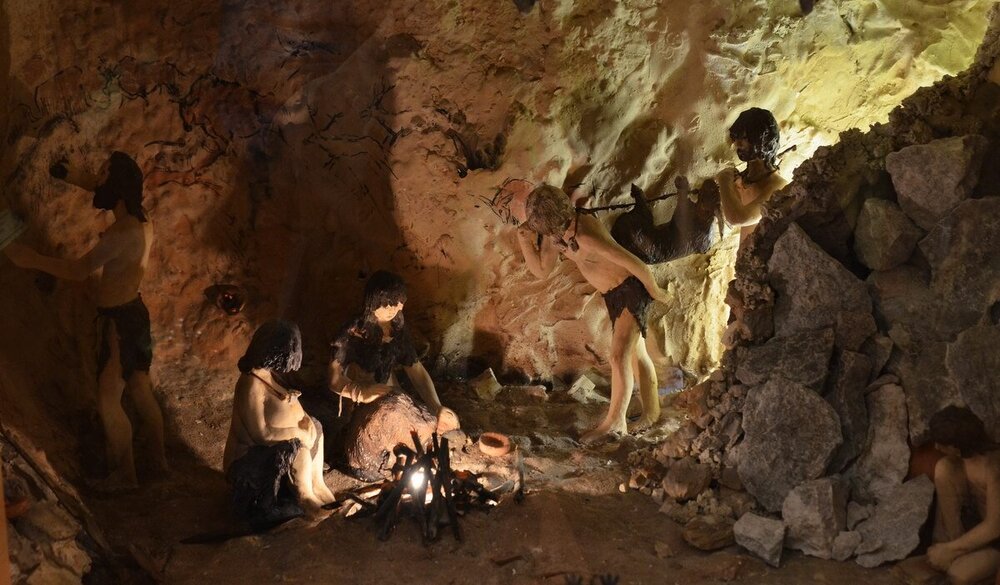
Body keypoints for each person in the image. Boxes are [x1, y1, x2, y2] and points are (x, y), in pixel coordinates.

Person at [4, 152, 167, 489]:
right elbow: (104, 189)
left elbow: (78, 270)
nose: (98, 178)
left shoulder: (122, 233)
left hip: (118, 325)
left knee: (109, 401)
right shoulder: (142, 218)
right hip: (135, 314)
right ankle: (159, 461)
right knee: (140, 389)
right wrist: (74, 176)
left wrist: (31, 259)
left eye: (104, 173)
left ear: (116, 186)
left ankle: (125, 475)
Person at [515, 184, 670, 443]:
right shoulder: (560, 235)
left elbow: (635, 264)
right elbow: (542, 270)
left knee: (619, 355)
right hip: (614, 295)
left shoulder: (585, 234)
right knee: (636, 353)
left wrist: (656, 291)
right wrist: (525, 242)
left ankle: (616, 422)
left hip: (631, 289)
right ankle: (651, 412)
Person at [223, 320, 336, 523]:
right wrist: (299, 433)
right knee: (296, 448)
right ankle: (307, 499)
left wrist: (308, 423)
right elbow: (262, 434)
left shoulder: (268, 375)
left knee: (317, 428)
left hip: (283, 443)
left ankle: (318, 486)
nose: (287, 366)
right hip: (250, 459)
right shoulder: (250, 385)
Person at [328, 271, 459, 433]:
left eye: (398, 303)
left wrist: (436, 406)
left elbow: (415, 369)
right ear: (373, 301)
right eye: (387, 303)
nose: (393, 309)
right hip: (357, 396)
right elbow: (333, 379)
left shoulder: (397, 329)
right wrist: (361, 392)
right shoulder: (352, 332)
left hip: (387, 389)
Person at [925, 406, 1000, 585]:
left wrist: (950, 550)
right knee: (944, 467)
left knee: (957, 574)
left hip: (994, 540)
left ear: (956, 446)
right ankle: (954, 548)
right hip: (969, 532)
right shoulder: (956, 462)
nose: (936, 447)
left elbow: (994, 527)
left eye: (941, 444)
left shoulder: (993, 469)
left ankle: (956, 554)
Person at [715, 108, 788, 243]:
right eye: (737, 138)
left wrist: (724, 180)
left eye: (744, 138)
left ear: (762, 140)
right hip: (745, 252)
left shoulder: (778, 186)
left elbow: (736, 217)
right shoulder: (744, 179)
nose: (737, 144)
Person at [610, 178, 722, 264]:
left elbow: (681, 208)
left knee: (645, 213)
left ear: (710, 213)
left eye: (701, 200)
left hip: (633, 242)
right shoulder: (706, 233)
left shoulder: (696, 233)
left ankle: (638, 196)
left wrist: (683, 190)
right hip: (641, 253)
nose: (699, 204)